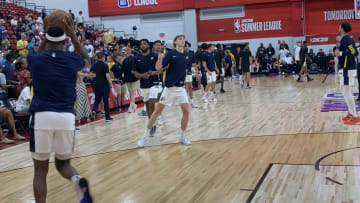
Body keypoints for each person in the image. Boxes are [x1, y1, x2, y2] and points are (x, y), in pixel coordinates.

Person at [28, 23, 92, 203]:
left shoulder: (37, 58)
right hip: (66, 116)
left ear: (46, 40)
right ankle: (77, 181)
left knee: (40, 170)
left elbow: (36, 54)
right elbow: (87, 60)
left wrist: (45, 38)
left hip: (42, 116)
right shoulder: (72, 59)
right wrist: (73, 35)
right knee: (63, 164)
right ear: (65, 40)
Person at [137, 35, 192, 147]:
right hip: (169, 89)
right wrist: (160, 59)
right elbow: (158, 68)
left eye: (183, 38)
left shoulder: (187, 55)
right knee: (157, 112)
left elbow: (184, 71)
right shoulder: (170, 54)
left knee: (186, 111)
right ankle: (144, 136)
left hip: (180, 89)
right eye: (180, 38)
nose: (182, 40)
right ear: (175, 42)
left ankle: (182, 136)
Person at [132, 39, 161, 136]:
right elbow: (134, 72)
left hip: (154, 83)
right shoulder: (137, 58)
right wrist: (142, 75)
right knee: (148, 105)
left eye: (144, 44)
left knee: (152, 102)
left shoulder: (154, 56)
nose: (143, 46)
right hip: (143, 84)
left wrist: (153, 72)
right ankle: (152, 123)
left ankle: (153, 123)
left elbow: (161, 69)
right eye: (141, 44)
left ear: (148, 45)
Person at [335, 22, 360, 125]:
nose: (338, 28)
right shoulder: (345, 39)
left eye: (339, 26)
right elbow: (353, 52)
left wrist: (340, 53)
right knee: (345, 90)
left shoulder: (346, 39)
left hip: (347, 68)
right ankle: (351, 113)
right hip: (346, 68)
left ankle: (355, 116)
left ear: (342, 28)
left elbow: (354, 52)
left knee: (346, 91)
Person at [89, 52, 113, 122]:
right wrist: (110, 83)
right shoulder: (105, 65)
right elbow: (107, 76)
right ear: (103, 57)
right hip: (104, 85)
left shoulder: (93, 65)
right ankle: (107, 117)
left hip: (96, 85)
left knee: (97, 99)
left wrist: (96, 80)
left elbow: (91, 76)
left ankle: (94, 110)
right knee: (105, 101)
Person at [122, 47, 139, 113]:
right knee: (133, 93)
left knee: (131, 93)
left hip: (127, 79)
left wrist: (123, 78)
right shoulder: (135, 59)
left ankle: (133, 106)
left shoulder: (124, 60)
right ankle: (131, 107)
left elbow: (122, 70)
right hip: (135, 78)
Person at [185, 41, 199, 108]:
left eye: (188, 46)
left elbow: (194, 63)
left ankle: (191, 102)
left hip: (189, 72)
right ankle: (183, 102)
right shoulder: (180, 53)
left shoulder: (191, 53)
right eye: (185, 46)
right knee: (184, 88)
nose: (186, 47)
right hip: (181, 73)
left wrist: (197, 73)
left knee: (190, 87)